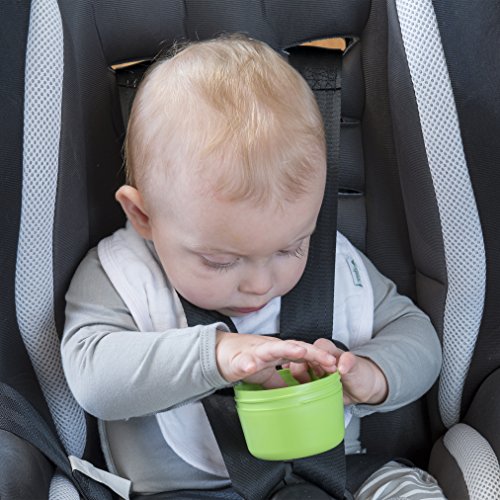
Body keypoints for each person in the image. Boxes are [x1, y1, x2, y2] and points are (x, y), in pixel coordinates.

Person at [61, 35, 444, 499]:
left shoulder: (335, 262)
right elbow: (94, 380)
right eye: (220, 261)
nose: (262, 284)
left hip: (337, 476)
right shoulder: (121, 275)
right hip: (183, 492)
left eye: (291, 248)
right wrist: (216, 356)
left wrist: (373, 374)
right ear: (143, 215)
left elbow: (419, 339)